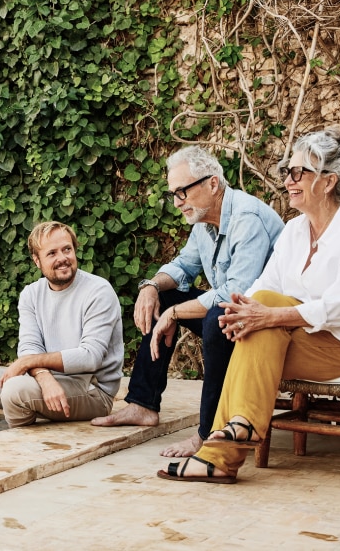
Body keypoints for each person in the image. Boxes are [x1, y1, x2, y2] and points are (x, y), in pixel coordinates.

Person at [157, 128, 340, 483]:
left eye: (297, 173)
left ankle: (222, 453)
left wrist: (266, 315)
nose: (288, 181)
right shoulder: (295, 230)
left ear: (327, 182)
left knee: (261, 322)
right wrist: (244, 312)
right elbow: (266, 287)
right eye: (286, 172)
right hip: (310, 333)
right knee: (252, 325)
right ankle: (234, 436)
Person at [91, 147, 283, 460]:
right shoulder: (204, 223)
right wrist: (151, 286)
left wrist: (176, 313)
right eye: (173, 194)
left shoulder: (247, 218)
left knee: (216, 317)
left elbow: (237, 293)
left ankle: (207, 434)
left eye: (182, 191)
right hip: (235, 315)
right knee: (164, 297)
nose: (178, 202)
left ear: (212, 184)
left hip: (266, 323)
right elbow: (183, 267)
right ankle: (142, 404)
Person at [0, 221, 124, 442]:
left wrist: (26, 364)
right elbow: (29, 347)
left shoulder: (98, 291)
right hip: (44, 383)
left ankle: (20, 450)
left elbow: (90, 357)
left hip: (92, 391)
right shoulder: (31, 294)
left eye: (67, 249)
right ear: (36, 260)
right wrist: (44, 377)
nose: (62, 258)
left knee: (15, 389)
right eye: (52, 253)